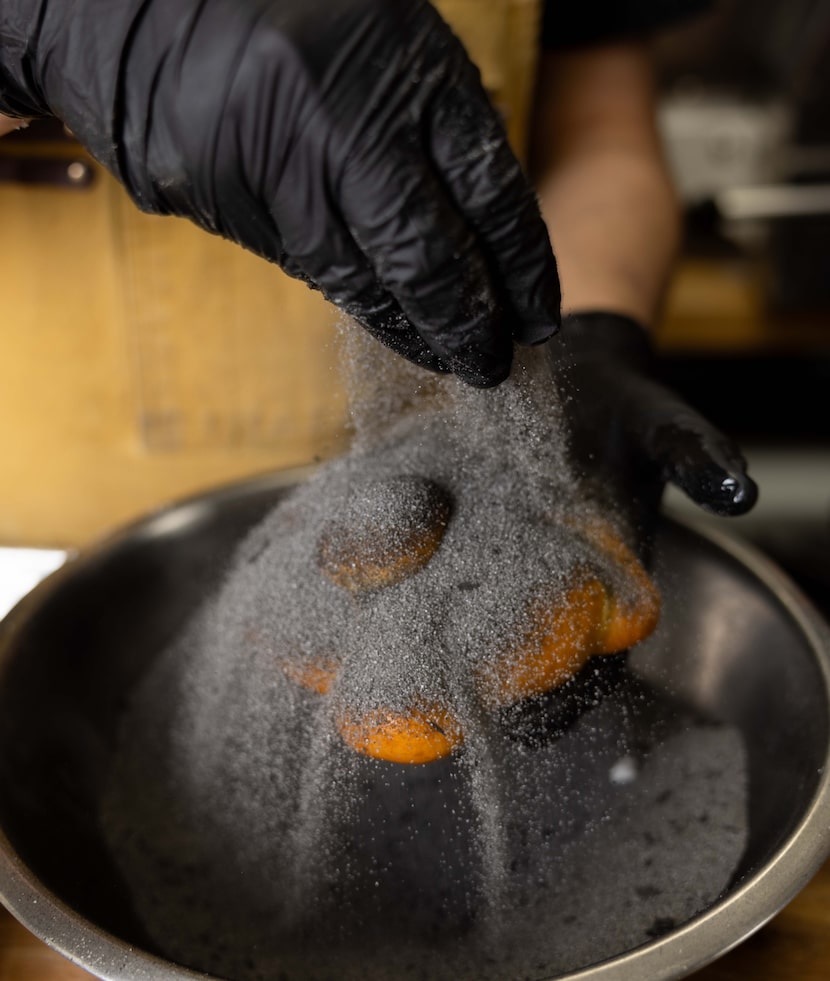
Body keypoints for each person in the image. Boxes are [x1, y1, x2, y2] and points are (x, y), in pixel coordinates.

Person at [0, 0, 756, 533]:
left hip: (472, 495)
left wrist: (591, 335)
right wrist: (50, 23)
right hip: (40, 548)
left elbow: (602, 134)